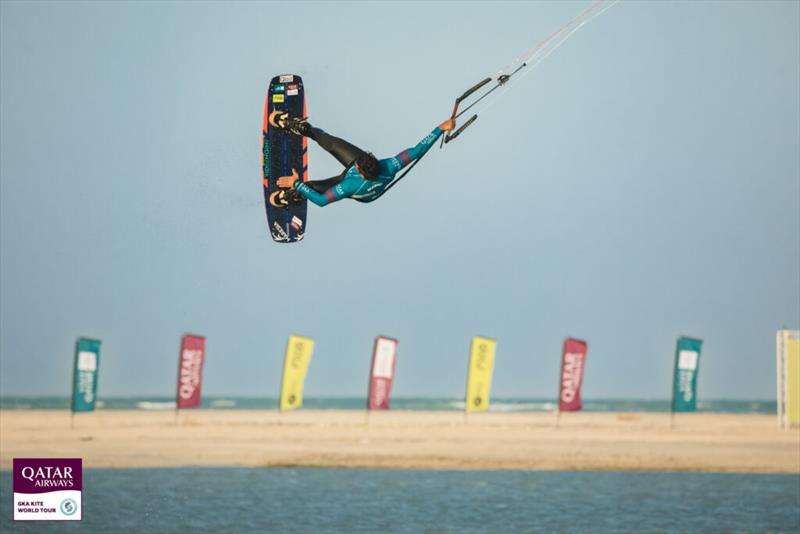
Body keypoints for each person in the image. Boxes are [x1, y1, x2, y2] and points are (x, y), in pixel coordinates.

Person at [267, 110, 455, 207]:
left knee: (313, 188)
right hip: (368, 175)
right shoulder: (389, 165)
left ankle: (293, 195)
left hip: (362, 193)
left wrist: (296, 183)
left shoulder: (350, 186)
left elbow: (322, 201)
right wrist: (441, 128)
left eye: (357, 165)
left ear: (362, 173)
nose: (356, 163)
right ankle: (303, 128)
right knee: (332, 143)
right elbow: (417, 150)